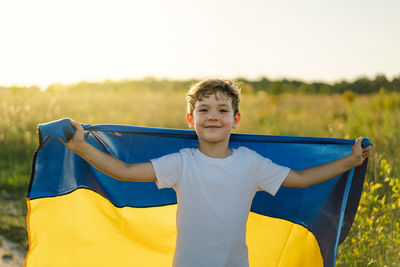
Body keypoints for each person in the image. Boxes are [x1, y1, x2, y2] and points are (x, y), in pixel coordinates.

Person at [61, 78, 373, 267]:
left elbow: (302, 180)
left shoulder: (251, 164)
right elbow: (126, 171)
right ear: (190, 118)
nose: (213, 116)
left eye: (222, 110)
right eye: (204, 110)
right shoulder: (182, 163)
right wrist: (82, 147)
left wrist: (349, 161)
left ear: (236, 119)